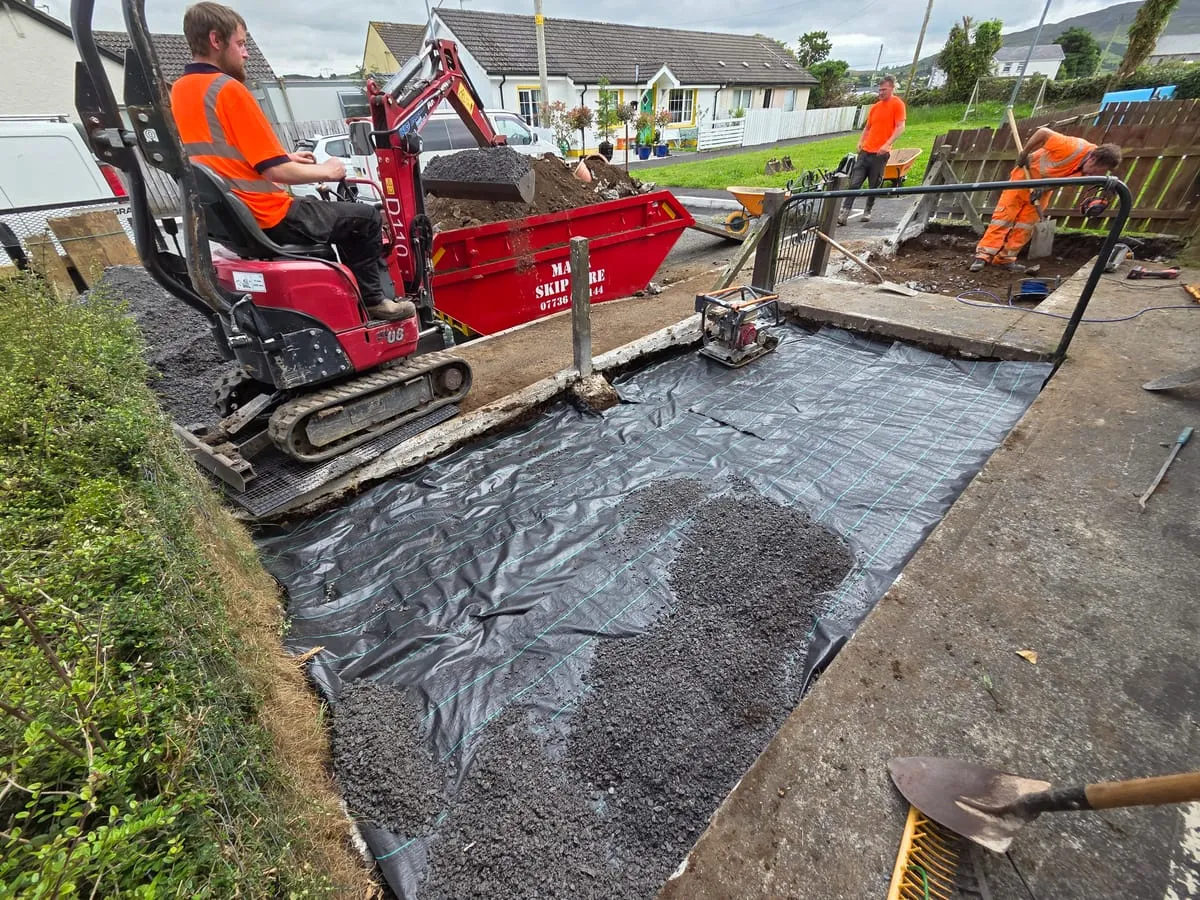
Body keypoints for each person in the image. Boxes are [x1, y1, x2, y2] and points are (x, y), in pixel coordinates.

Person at [172, 2, 413, 321]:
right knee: (365, 218)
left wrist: (288, 156)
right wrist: (326, 170)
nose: (246, 54)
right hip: (267, 214)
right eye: (241, 44)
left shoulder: (181, 91)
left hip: (233, 218)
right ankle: (374, 301)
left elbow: (222, 150)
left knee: (329, 213)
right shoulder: (228, 90)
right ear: (216, 40)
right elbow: (276, 171)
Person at [970, 129, 1122, 272]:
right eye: (1097, 170)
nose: (1094, 174)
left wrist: (1043, 190)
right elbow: (1043, 132)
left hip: (1042, 188)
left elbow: (1063, 182)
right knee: (1003, 219)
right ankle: (983, 256)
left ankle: (1005, 259)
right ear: (1093, 159)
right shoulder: (1071, 146)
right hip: (1023, 179)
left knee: (1026, 225)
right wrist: (1024, 153)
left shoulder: (1086, 171)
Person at [837, 75, 905, 226]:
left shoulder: (897, 105)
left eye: (884, 90)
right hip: (865, 152)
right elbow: (867, 128)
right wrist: (861, 141)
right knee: (854, 182)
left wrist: (887, 144)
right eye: (879, 90)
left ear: (892, 88)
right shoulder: (875, 107)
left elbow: (900, 127)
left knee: (874, 185)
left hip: (880, 154)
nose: (881, 93)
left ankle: (868, 210)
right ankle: (844, 212)